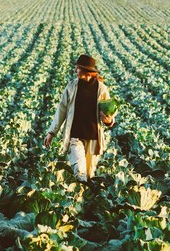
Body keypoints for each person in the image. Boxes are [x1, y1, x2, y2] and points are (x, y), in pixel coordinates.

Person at [43, 54, 116, 183]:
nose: (75, 71)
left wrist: (109, 121)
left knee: (89, 174)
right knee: (80, 171)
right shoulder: (71, 87)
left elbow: (109, 114)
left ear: (86, 71)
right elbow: (61, 110)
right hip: (75, 136)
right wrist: (51, 132)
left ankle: (87, 199)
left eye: (78, 68)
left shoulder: (102, 89)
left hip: (93, 138)